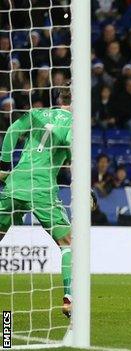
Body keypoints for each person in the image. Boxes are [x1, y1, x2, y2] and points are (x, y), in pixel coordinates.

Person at [0, 89, 75, 317]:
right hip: (42, 188)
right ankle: (70, 298)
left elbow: (12, 130)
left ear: (58, 99)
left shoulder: (37, 113)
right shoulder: (74, 123)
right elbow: (73, 149)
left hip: (16, 183)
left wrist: (4, 166)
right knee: (68, 243)